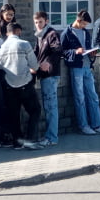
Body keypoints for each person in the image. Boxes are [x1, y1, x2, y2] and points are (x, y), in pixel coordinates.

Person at [0, 22, 44, 149]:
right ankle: (31, 140)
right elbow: (34, 66)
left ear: (7, 33)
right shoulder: (24, 44)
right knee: (35, 111)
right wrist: (30, 68)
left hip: (9, 85)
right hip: (25, 84)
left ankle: (18, 142)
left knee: (14, 115)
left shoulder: (0, 48)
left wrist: (3, 67)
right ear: (19, 31)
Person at [62, 10, 100, 135]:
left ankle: (97, 124)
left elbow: (88, 48)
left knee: (93, 97)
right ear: (78, 21)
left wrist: (92, 52)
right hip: (76, 67)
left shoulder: (86, 33)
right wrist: (75, 51)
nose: (85, 27)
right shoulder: (66, 34)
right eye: (84, 24)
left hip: (87, 66)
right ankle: (83, 125)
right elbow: (62, 52)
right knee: (80, 97)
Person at [32, 10, 64, 146]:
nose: (38, 25)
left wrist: (48, 62)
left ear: (46, 21)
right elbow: (35, 53)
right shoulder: (39, 36)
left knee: (50, 107)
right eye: (36, 22)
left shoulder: (51, 34)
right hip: (43, 75)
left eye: (40, 22)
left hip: (50, 75)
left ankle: (51, 138)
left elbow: (58, 50)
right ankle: (50, 136)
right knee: (48, 106)